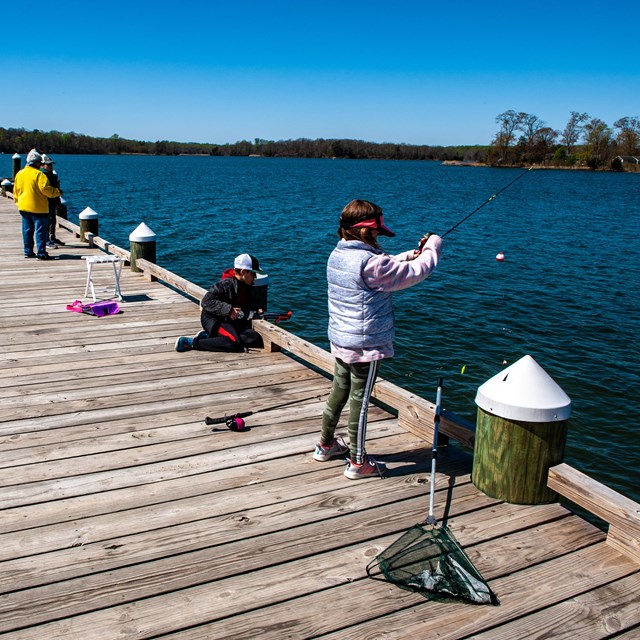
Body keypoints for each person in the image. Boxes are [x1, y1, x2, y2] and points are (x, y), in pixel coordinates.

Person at [313, 199, 443, 479]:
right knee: (360, 400)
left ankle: (325, 445)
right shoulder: (370, 263)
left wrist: (413, 253)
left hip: (341, 338)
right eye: (376, 233)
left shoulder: (338, 254)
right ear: (366, 232)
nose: (378, 237)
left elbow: (384, 266)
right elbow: (414, 273)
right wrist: (432, 249)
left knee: (340, 389)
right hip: (365, 344)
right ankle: (358, 462)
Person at [175, 253, 266, 353]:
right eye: (253, 274)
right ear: (244, 272)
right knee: (234, 341)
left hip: (229, 321)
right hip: (213, 319)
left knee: (254, 338)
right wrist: (229, 310)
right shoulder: (226, 284)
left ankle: (211, 337)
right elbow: (207, 301)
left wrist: (256, 309)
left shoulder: (246, 285)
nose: (255, 277)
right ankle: (192, 343)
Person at [13, 149, 62, 260]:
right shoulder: (39, 175)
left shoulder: (19, 173)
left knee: (27, 230)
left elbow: (16, 190)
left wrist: (18, 202)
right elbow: (45, 189)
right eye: (40, 162)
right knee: (41, 231)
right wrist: (58, 192)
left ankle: (28, 251)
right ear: (36, 163)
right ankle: (41, 253)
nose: (41, 164)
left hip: (23, 207)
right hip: (38, 208)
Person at [40, 155, 65, 248]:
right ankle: (46, 240)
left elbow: (55, 189)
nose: (50, 166)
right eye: (47, 165)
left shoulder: (52, 175)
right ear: (42, 165)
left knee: (52, 220)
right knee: (46, 221)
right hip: (45, 202)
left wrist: (58, 202)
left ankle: (52, 237)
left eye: (51, 164)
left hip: (53, 201)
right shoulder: (42, 175)